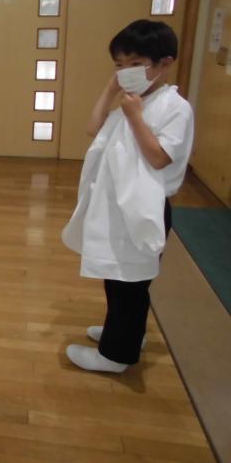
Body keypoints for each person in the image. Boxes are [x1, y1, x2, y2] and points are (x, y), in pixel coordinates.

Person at [62, 20, 194, 373]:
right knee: (120, 278)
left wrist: (135, 118)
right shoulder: (134, 100)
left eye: (135, 64)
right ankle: (126, 334)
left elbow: (159, 158)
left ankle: (116, 355)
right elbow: (93, 128)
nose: (125, 72)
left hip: (146, 207)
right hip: (121, 205)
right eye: (119, 65)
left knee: (130, 282)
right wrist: (110, 91)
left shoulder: (174, 107)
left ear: (164, 63)